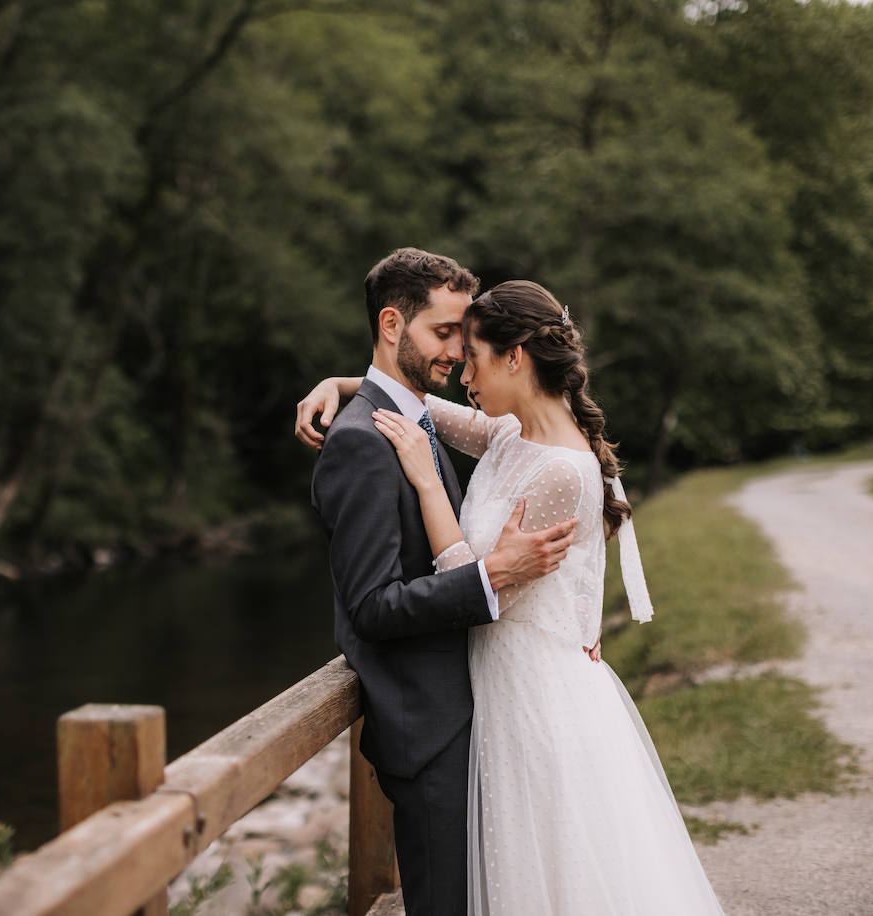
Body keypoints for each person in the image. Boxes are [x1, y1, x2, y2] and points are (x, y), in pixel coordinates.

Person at [298, 279, 724, 914]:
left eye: (472, 355)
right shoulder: (506, 433)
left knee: (543, 870)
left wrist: (427, 482)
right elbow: (411, 402)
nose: (462, 373)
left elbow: (488, 583)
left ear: (514, 357)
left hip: (530, 693)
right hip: (492, 684)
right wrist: (337, 385)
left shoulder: (558, 469)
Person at [305, 250, 582, 916]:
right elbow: (372, 607)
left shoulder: (418, 419)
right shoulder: (361, 443)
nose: (460, 351)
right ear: (393, 324)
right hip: (429, 736)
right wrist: (491, 579)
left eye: (465, 334)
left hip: (480, 715)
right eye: (445, 332)